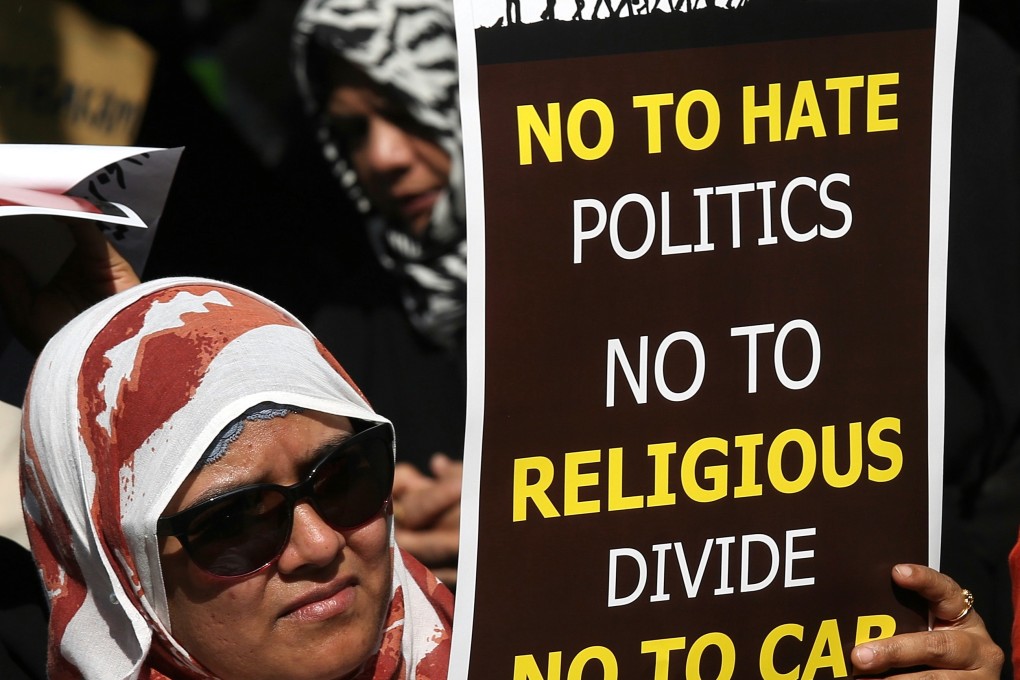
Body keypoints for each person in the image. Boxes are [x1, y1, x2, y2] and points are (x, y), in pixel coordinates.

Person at [19, 277, 452, 679]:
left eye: (340, 481)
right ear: (121, 569)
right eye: (234, 523)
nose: (320, 545)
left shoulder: (500, 641)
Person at [292, 0, 466, 585]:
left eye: (407, 111)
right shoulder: (341, 330)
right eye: (352, 132)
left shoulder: (611, 274)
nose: (382, 157)